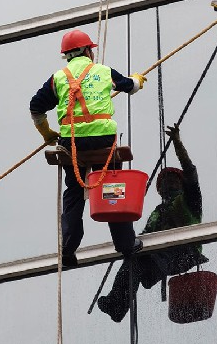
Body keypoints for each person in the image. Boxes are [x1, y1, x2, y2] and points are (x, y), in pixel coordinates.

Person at [29, 29, 146, 267]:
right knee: (112, 185)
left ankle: (68, 249)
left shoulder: (59, 78)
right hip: (104, 140)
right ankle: (126, 244)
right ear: (88, 51)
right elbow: (130, 86)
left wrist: (47, 133)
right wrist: (138, 80)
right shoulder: (102, 71)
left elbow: (35, 107)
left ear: (68, 56)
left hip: (73, 142)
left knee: (74, 192)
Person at [98, 124, 208, 322]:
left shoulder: (190, 201)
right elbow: (144, 238)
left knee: (137, 261)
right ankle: (117, 306)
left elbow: (190, 172)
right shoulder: (158, 212)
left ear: (181, 184)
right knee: (133, 263)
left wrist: (177, 143)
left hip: (183, 254)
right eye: (163, 181)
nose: (167, 183)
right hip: (162, 256)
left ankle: (117, 303)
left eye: (172, 179)